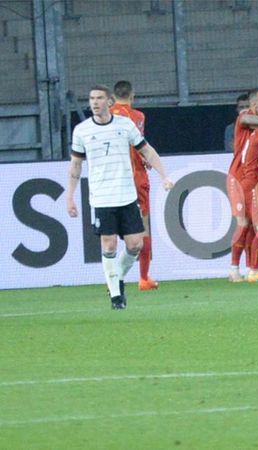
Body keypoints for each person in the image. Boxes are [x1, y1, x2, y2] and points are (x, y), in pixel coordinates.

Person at [66, 85, 173, 309]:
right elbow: (76, 164)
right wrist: (70, 195)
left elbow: (146, 150)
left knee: (135, 245)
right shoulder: (82, 130)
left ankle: (117, 277)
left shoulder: (125, 125)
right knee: (109, 244)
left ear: (110, 102)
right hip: (101, 197)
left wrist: (164, 175)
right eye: (92, 98)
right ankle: (116, 296)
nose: (94, 102)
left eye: (99, 98)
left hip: (126, 195)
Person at [110, 80, 158, 291]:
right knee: (143, 228)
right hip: (135, 177)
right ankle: (144, 277)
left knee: (109, 232)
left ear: (112, 97)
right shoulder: (138, 117)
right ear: (132, 95)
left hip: (111, 179)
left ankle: (111, 276)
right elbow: (140, 145)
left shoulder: (105, 116)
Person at [227, 89, 258, 282]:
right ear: (253, 104)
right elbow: (245, 121)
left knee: (257, 225)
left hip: (256, 177)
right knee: (245, 223)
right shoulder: (245, 116)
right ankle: (235, 268)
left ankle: (256, 268)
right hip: (239, 177)